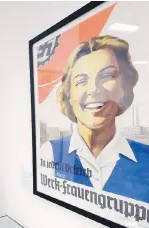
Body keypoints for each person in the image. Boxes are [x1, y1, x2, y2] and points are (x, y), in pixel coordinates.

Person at [40, 35, 149, 203]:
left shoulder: (146, 158)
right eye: (81, 81)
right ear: (68, 94)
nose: (93, 89)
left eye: (106, 76)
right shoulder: (50, 154)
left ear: (124, 88)